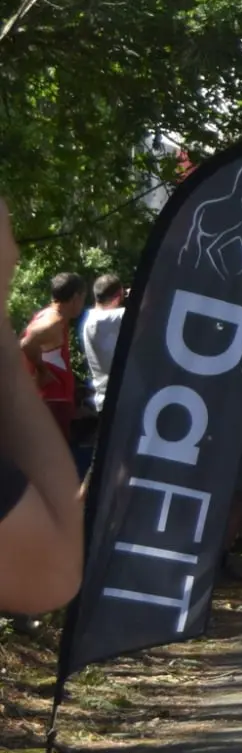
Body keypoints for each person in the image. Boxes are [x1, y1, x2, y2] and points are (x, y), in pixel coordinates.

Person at [0, 199, 83, 613]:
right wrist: (37, 373)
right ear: (74, 298)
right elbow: (25, 347)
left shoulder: (50, 319)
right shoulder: (51, 322)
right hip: (49, 406)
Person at [20, 271, 86, 446]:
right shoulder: (54, 322)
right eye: (83, 297)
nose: (82, 303)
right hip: (52, 403)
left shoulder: (48, 316)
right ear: (75, 297)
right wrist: (42, 371)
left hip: (50, 402)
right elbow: (27, 343)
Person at [74, 273, 124, 473]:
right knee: (114, 462)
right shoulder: (108, 318)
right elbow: (147, 307)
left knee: (103, 461)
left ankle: (83, 499)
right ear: (117, 296)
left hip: (104, 399)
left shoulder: (90, 318)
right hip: (118, 401)